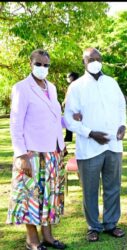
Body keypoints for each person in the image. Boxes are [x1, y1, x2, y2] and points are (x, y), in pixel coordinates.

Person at [64, 48, 126, 242]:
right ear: (84, 61)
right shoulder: (76, 87)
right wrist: (90, 133)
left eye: (98, 59)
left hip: (113, 145)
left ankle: (111, 223)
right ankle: (93, 226)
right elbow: (69, 119)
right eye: (91, 59)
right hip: (90, 147)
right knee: (90, 190)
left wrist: (123, 125)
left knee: (113, 187)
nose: (95, 62)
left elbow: (121, 106)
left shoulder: (112, 82)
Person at [7, 49, 66, 250]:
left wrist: (63, 141)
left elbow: (55, 117)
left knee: (49, 196)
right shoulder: (21, 88)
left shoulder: (53, 87)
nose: (43, 68)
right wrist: (20, 155)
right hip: (31, 152)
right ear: (30, 63)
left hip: (52, 151)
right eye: (39, 64)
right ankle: (32, 239)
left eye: (46, 65)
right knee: (30, 196)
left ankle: (48, 236)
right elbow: (15, 123)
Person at [62, 72, 80, 142]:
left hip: (71, 106)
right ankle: (68, 137)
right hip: (73, 106)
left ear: (72, 77)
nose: (67, 78)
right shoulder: (76, 84)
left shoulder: (73, 85)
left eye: (68, 77)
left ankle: (68, 137)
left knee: (69, 121)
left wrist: (64, 102)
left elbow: (69, 96)